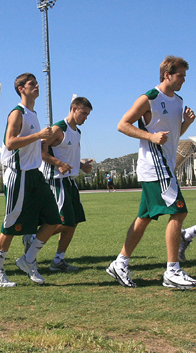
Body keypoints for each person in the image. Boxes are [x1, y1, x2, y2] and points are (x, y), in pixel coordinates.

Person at [107, 56, 196, 289]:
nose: (184, 80)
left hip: (165, 166)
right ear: (167, 74)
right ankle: (172, 271)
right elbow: (122, 124)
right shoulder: (149, 98)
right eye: (181, 76)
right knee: (178, 212)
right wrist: (150, 136)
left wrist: (186, 123)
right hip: (155, 167)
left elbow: (173, 134)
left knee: (144, 218)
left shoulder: (178, 101)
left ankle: (120, 262)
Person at [0, 73, 61, 287]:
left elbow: (28, 144)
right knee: (10, 224)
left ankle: (27, 260)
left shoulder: (33, 114)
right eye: (32, 84)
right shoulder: (17, 113)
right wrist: (37, 137)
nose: (37, 86)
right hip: (18, 175)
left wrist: (41, 145)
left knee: (53, 219)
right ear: (21, 89)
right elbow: (10, 143)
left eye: (37, 83)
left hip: (34, 174)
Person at [36, 97, 94, 272]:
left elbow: (70, 157)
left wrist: (82, 166)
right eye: (83, 113)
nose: (85, 117)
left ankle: (58, 260)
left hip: (70, 181)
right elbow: (40, 152)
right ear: (73, 109)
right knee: (63, 221)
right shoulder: (58, 129)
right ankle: (33, 240)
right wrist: (58, 163)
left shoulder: (77, 132)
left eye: (87, 115)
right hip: (55, 180)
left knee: (73, 221)